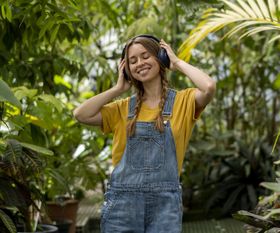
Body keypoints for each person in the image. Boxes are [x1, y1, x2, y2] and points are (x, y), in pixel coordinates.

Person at [73, 35, 216, 233]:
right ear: (126, 69)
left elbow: (208, 87)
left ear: (160, 58)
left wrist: (176, 62)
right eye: (133, 61)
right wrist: (118, 89)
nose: (140, 63)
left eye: (145, 56)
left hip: (165, 207)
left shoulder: (183, 101)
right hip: (122, 207)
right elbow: (80, 114)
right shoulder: (122, 108)